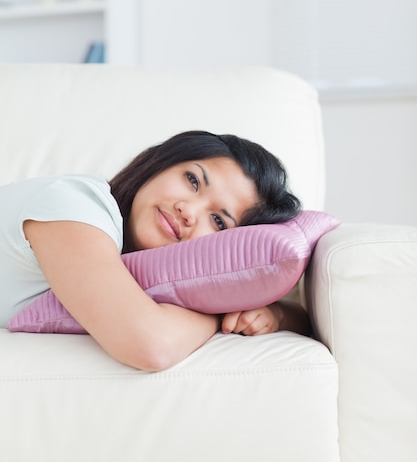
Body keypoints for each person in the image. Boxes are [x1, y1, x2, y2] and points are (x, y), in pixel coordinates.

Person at [0, 130, 311, 371]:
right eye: (192, 180)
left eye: (218, 220)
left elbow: (302, 316)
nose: (187, 210)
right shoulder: (76, 206)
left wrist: (277, 314)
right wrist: (218, 314)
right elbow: (151, 346)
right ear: (158, 164)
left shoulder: (130, 263)